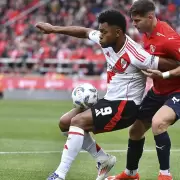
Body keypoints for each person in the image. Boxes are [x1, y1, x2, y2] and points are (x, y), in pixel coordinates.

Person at [36, 9, 178, 180]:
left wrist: (166, 74)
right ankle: (103, 160)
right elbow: (85, 32)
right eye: (100, 31)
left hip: (125, 106)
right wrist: (53, 29)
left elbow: (168, 63)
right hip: (110, 101)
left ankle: (59, 175)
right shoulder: (106, 41)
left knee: (77, 122)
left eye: (104, 32)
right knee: (65, 122)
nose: (100, 35)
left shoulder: (137, 54)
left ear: (117, 32)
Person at [106, 1, 180, 180]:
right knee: (135, 131)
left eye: (137, 20)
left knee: (158, 123)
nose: (134, 24)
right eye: (133, 20)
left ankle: (165, 176)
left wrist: (164, 75)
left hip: (177, 91)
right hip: (158, 91)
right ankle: (131, 174)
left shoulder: (169, 38)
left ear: (150, 17)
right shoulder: (147, 34)